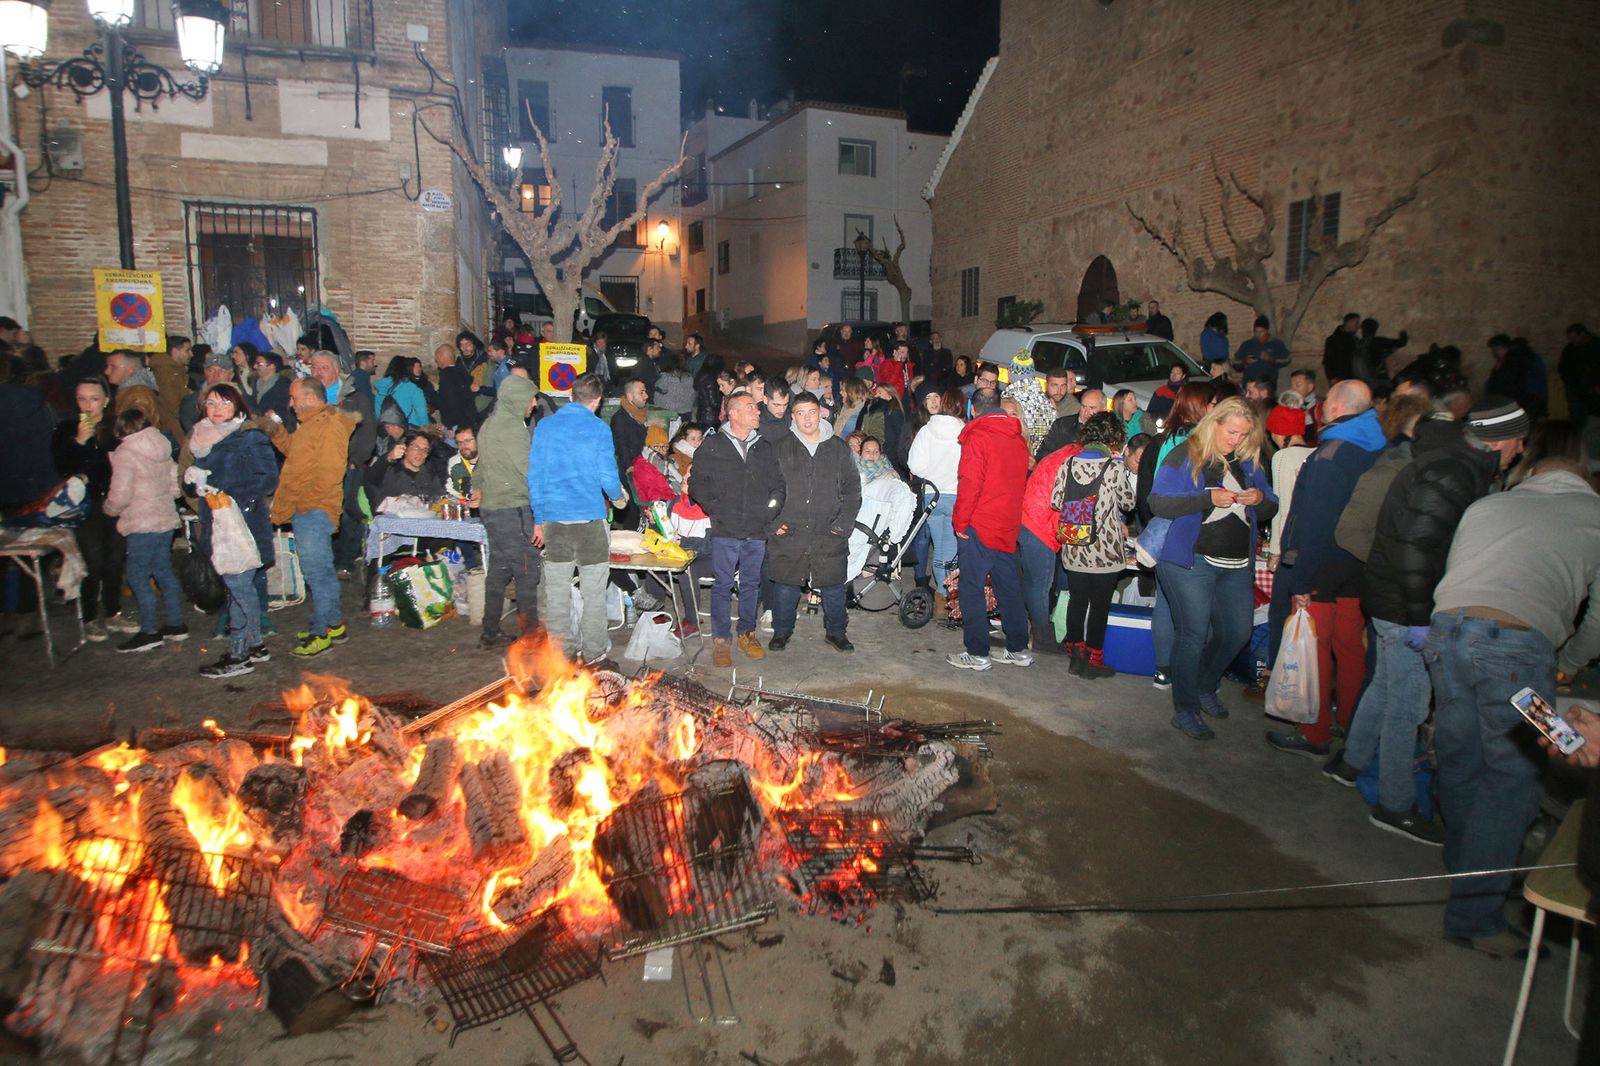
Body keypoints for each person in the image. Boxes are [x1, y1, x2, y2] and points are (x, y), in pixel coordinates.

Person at [1424, 425, 1600, 958]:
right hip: (1519, 652)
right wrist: (1566, 663)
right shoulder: (1595, 515)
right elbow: (1598, 621)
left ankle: (1466, 866)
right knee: (1518, 776)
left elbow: (1460, 571)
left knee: (1458, 758)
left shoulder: (1489, 504)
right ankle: (1476, 914)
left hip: (1445, 635)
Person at [1324, 400, 1523, 844]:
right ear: (1502, 441)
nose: (1519, 451)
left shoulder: (1445, 462)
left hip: (1391, 596)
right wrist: (1420, 618)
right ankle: (1394, 805)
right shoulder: (1452, 472)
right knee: (1408, 706)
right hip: (1405, 602)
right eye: (1518, 442)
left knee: (1386, 687)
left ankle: (1349, 763)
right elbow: (1417, 550)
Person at [1264, 380, 1387, 758]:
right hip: (1359, 565)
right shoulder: (1379, 449)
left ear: (1333, 407)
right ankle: (1351, 724)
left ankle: (1314, 731)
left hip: (1323, 566)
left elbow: (1312, 520)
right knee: (1350, 647)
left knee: (1313, 647)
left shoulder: (1330, 455)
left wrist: (1299, 576)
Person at [1149, 397, 1278, 739]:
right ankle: (1186, 708)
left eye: (1243, 434)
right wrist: (1207, 498)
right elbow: (1157, 501)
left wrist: (1259, 500)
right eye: (1231, 431)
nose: (1236, 439)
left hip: (1236, 563)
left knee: (1238, 632)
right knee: (1193, 634)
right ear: (1215, 423)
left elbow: (1271, 504)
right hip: (1190, 561)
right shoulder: (1187, 454)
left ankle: (1205, 685)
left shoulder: (1248, 460)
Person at [529, 374, 627, 666]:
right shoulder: (598, 428)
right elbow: (608, 477)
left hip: (555, 525)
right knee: (593, 593)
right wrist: (619, 497)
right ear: (597, 402)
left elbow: (535, 477)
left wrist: (539, 518)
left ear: (571, 396)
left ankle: (562, 655)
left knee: (557, 593)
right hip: (590, 525)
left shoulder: (545, 427)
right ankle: (595, 654)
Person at [263, 377, 360, 657]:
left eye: (293, 398)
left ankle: (321, 633)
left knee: (317, 574)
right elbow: (295, 453)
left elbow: (330, 472)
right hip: (309, 508)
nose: (290, 404)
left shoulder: (329, 425)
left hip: (314, 509)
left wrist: (304, 502)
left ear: (309, 397)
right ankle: (334, 624)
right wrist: (276, 430)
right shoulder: (313, 424)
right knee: (322, 571)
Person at [187, 383, 279, 677]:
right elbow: (194, 483)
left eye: (224, 404)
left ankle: (239, 653)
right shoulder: (201, 438)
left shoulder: (248, 437)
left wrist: (227, 490)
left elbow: (268, 479)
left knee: (238, 587)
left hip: (243, 524)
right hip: (218, 523)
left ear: (238, 408)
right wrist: (193, 483)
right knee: (238, 586)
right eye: (211, 404)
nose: (216, 410)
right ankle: (255, 644)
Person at [691, 390, 785, 668]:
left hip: (756, 529)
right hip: (726, 528)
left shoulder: (764, 447)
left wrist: (768, 511)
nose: (757, 412)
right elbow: (697, 483)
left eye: (756, 409)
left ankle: (747, 632)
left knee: (751, 584)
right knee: (722, 585)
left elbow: (778, 485)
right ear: (732, 413)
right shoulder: (712, 446)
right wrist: (717, 509)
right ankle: (721, 638)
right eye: (750, 408)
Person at [767, 392, 861, 653]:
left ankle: (836, 632)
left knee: (832, 585)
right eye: (800, 413)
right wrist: (773, 522)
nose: (807, 418)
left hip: (828, 528)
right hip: (790, 529)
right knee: (786, 585)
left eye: (811, 412)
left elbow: (853, 489)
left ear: (819, 414)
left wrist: (843, 524)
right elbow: (764, 488)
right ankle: (782, 632)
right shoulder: (779, 447)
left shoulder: (838, 448)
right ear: (793, 417)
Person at [946, 393, 1033, 671]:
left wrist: (960, 522)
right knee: (1008, 586)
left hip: (981, 523)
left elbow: (970, 483)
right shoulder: (1017, 439)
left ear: (973, 409)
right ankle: (1019, 648)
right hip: (1007, 522)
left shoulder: (978, 436)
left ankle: (977, 652)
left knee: (971, 587)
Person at [1054, 413, 1136, 678]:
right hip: (1106, 551)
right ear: (1114, 438)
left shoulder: (1068, 463)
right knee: (1100, 606)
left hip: (1075, 546)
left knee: (1077, 601)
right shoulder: (1114, 467)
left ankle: (1075, 657)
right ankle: (1093, 659)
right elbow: (1128, 503)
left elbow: (1056, 501)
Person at [53, 378, 134, 641]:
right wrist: (79, 441)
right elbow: (62, 465)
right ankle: (89, 618)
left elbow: (120, 465)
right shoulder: (66, 428)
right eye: (82, 399)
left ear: (106, 400)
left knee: (114, 559)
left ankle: (113, 614)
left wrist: (95, 471)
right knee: (93, 561)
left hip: (114, 500)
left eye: (94, 399)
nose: (88, 405)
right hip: (85, 506)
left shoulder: (116, 427)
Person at [103, 408, 186, 652]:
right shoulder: (163, 445)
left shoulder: (126, 454)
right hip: (165, 518)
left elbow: (120, 494)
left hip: (141, 521)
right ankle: (176, 624)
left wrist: (109, 509)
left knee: (137, 575)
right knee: (163, 570)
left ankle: (149, 630)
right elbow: (175, 485)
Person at [474, 370, 541, 648]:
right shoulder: (512, 428)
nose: (534, 404)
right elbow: (529, 472)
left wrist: (477, 489)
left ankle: (490, 631)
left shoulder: (488, 424)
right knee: (527, 569)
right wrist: (542, 515)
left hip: (492, 510)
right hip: (513, 509)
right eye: (530, 398)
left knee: (500, 570)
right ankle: (532, 636)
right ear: (516, 399)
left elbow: (480, 467)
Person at [908, 388, 964, 603]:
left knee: (939, 547)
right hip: (955, 494)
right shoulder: (964, 431)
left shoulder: (926, 431)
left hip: (932, 494)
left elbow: (915, 466)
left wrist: (933, 471)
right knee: (948, 549)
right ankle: (946, 595)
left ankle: (942, 593)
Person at [365, 430, 445, 510]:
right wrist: (388, 457)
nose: (420, 453)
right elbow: (372, 478)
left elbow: (439, 499)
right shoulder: (390, 469)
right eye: (416, 447)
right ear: (405, 449)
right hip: (389, 519)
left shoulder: (430, 475)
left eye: (425, 450)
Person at [1002, 349, 1055, 454]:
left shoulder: (1009, 400)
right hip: (1043, 458)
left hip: (1019, 457)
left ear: (1011, 374)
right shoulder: (1046, 401)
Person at [1035, 388, 1106, 461]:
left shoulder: (1108, 431)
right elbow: (1043, 455)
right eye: (1083, 406)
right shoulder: (1061, 425)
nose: (1086, 412)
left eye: (1092, 408)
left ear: (1104, 409)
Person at [179, 350, 238, 436]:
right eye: (211, 370)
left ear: (231, 375)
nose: (216, 375)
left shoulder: (241, 398)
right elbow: (193, 433)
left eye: (221, 371)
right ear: (205, 373)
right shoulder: (191, 402)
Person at [104, 350, 163, 430]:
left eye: (113, 367)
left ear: (130, 370)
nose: (106, 371)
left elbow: (133, 430)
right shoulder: (130, 391)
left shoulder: (139, 396)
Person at [1232, 316, 1290, 390]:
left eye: (1262, 331)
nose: (1259, 334)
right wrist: (1245, 361)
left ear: (1267, 330)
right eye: (1256, 331)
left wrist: (1271, 359)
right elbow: (1235, 363)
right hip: (1249, 386)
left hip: (1268, 386)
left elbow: (1287, 360)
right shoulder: (1247, 345)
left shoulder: (1276, 344)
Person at [1559, 323, 1600, 428]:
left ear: (1582, 334)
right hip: (1576, 389)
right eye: (1570, 338)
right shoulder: (1570, 349)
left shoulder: (1596, 346)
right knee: (1578, 419)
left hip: (1592, 391)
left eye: (1574, 337)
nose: (1572, 341)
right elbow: (1563, 368)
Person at [433, 344, 478, 432]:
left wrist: (449, 426)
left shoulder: (447, 375)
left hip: (455, 425)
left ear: (441, 356)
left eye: (436, 357)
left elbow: (450, 401)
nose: (436, 360)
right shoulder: (463, 372)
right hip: (468, 421)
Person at [153, 335, 192, 436]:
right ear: (175, 352)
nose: (191, 354)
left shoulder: (177, 371)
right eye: (187, 350)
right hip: (171, 428)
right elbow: (173, 404)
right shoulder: (166, 372)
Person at [374, 356, 428, 427]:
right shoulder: (411, 388)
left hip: (387, 430)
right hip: (410, 429)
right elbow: (422, 414)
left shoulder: (381, 387)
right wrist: (427, 430)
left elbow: (378, 413)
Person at [246, 350, 294, 428]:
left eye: (259, 364)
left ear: (272, 366)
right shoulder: (256, 383)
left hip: (277, 428)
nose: (255, 366)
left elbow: (283, 411)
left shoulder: (283, 385)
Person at [1322, 313, 1362, 383]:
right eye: (1357, 323)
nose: (1358, 326)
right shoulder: (1333, 340)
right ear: (1350, 323)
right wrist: (1332, 377)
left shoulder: (1355, 339)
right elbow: (1328, 360)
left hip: (1354, 378)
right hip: (1340, 378)